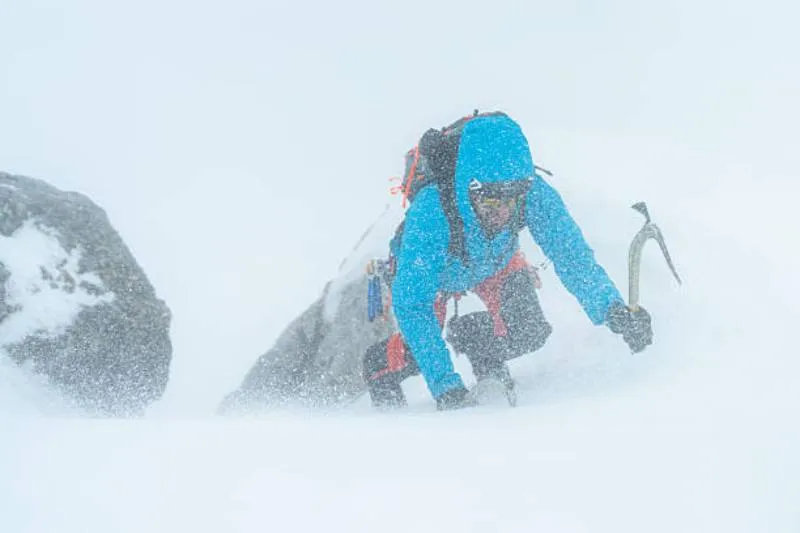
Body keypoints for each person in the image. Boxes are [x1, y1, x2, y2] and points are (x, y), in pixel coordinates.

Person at [362, 111, 653, 411]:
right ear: (468, 188)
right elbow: (413, 304)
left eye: (510, 201)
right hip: (434, 275)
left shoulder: (530, 192)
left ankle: (476, 341)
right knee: (417, 353)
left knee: (528, 329)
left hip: (493, 263)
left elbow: (572, 256)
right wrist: (446, 387)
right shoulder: (432, 211)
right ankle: (379, 366)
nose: (501, 212)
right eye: (489, 201)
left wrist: (613, 309)